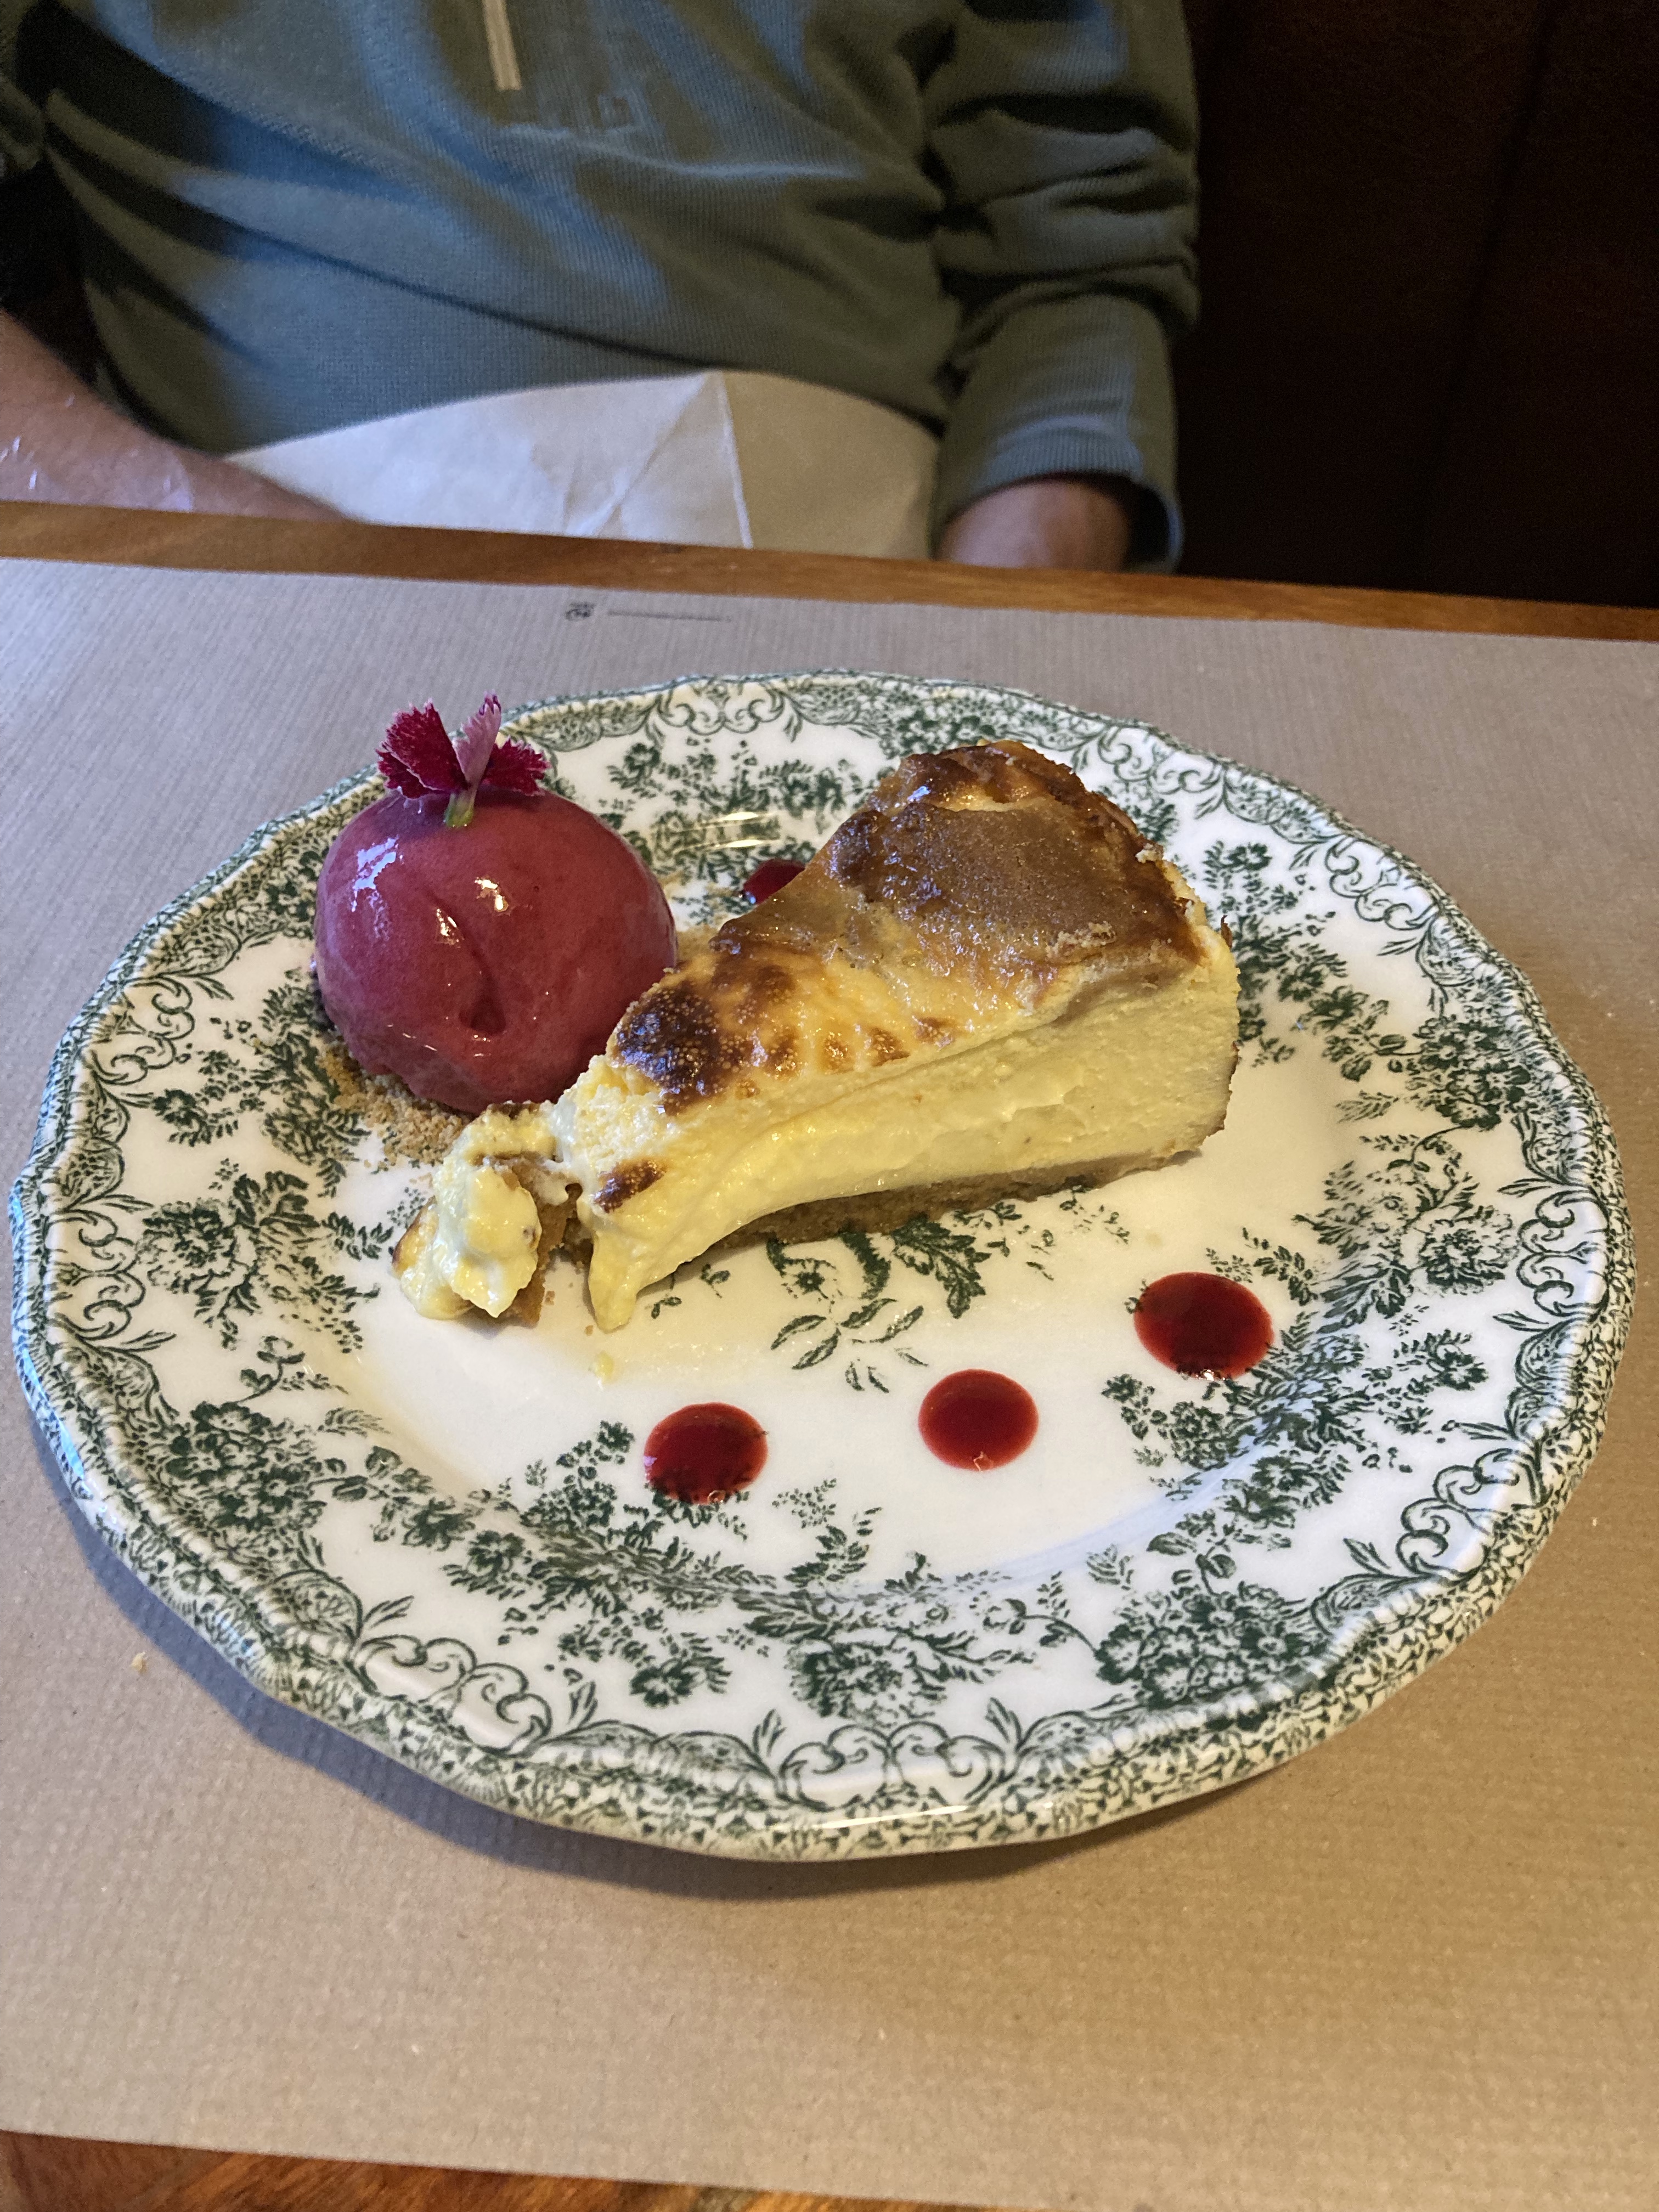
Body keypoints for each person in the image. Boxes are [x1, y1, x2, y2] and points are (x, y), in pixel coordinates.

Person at [0, 0, 1198, 569]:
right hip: (266, 560)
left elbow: (1078, 247)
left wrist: (995, 643)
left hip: (890, 555)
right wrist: (204, 549)